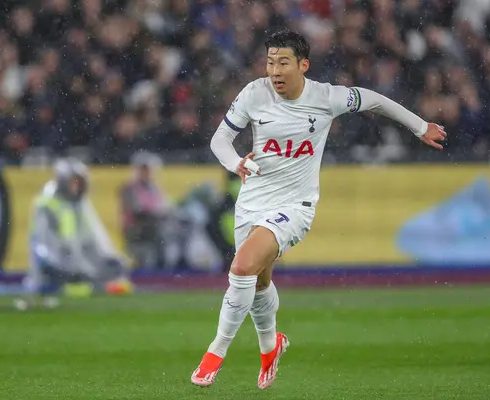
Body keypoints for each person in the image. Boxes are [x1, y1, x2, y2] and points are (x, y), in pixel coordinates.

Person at [191, 30, 447, 389]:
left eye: (283, 62)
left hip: (296, 206)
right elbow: (220, 139)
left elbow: (374, 100)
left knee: (242, 266)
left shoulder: (326, 97)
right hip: (252, 202)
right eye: (269, 62)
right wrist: (236, 163)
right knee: (259, 282)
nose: (274, 71)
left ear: (303, 65)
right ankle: (270, 347)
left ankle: (215, 352)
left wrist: (421, 127)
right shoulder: (254, 93)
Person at [15, 157, 133, 311]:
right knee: (61, 278)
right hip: (55, 262)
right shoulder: (47, 202)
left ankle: (83, 286)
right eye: (73, 182)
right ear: (64, 181)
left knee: (113, 266)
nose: (76, 187)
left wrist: (109, 257)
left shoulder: (79, 202)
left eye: (79, 182)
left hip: (76, 259)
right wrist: (67, 266)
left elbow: (95, 235)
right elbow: (43, 243)